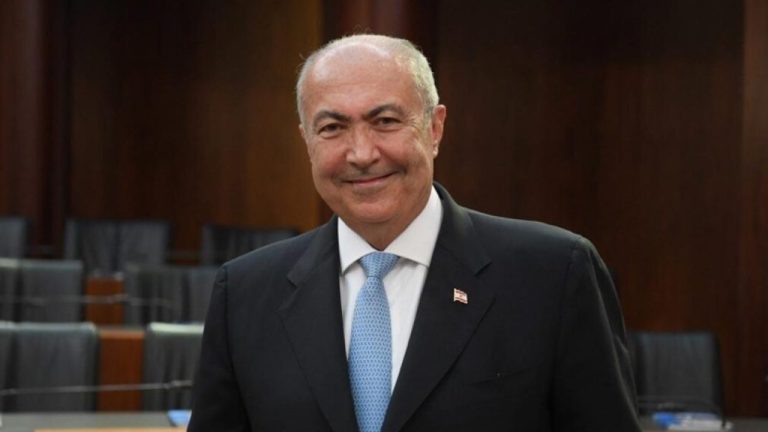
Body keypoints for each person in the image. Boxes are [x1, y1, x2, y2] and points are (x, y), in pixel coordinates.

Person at [188, 34, 641, 432]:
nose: (362, 153)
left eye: (385, 121)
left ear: (435, 128)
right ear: (307, 141)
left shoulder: (554, 275)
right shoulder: (245, 293)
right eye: (333, 128)